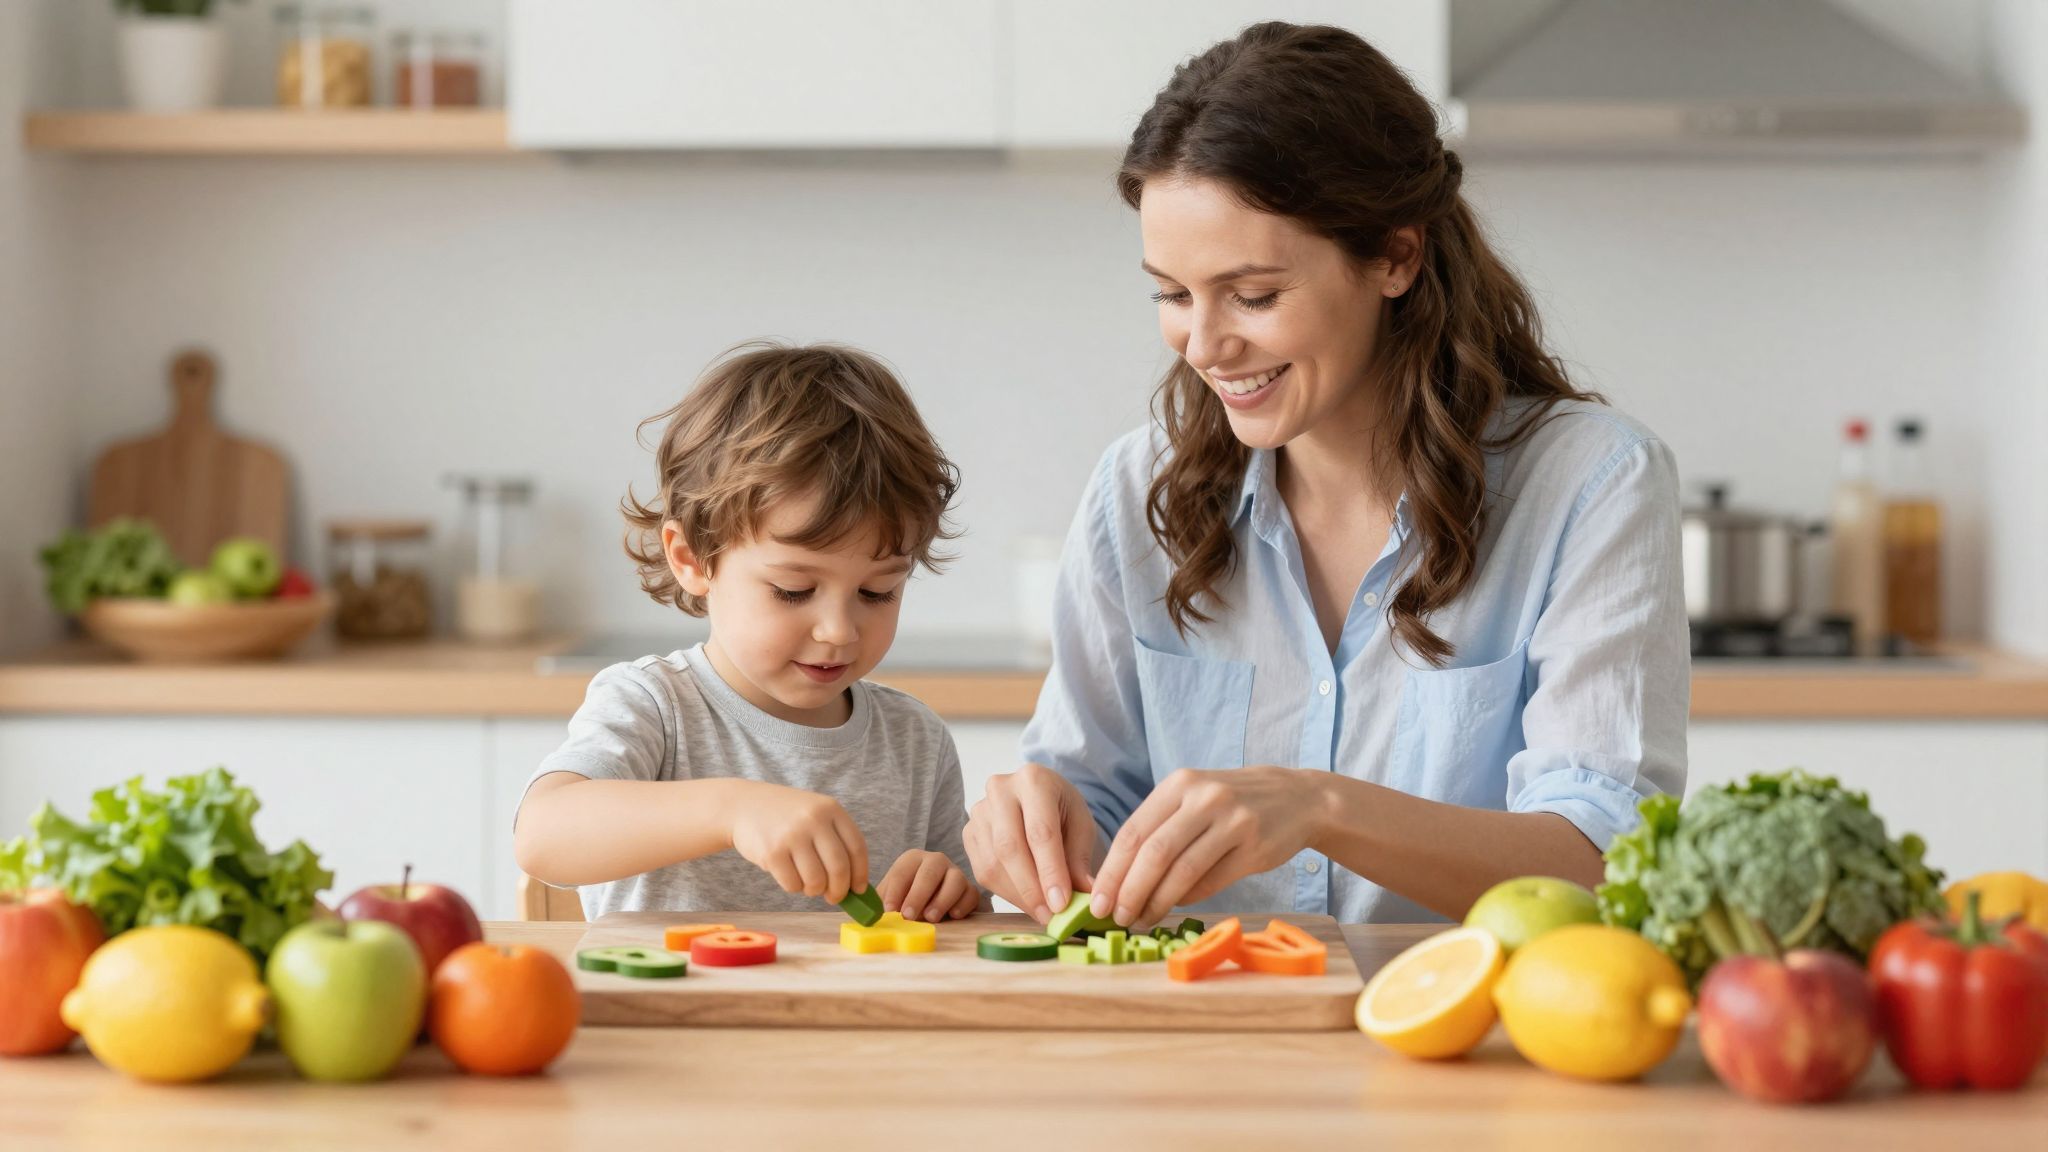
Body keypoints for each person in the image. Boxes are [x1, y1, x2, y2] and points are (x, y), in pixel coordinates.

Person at [964, 22, 1688, 930]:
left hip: (1466, 1038)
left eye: (1255, 296)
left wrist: (1320, 806)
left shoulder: (1590, 482)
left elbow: (1603, 860)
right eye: (1172, 294)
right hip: (1197, 1038)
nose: (1206, 344)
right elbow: (1093, 797)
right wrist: (1037, 826)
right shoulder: (1135, 488)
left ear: (1395, 257)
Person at [516, 342, 980, 923]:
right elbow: (543, 836)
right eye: (792, 590)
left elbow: (966, 913)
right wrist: (731, 809)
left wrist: (952, 891)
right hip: (679, 1014)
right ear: (691, 558)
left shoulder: (915, 741)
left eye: (876, 591)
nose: (839, 631)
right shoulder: (655, 707)